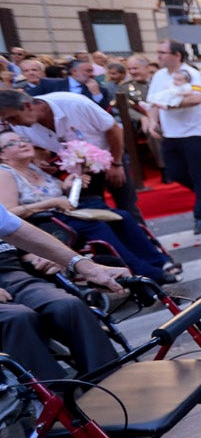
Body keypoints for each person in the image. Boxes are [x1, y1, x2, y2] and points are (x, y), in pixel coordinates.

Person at [0, 131, 176, 284]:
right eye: (12, 143)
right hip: (46, 221)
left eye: (22, 139)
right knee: (97, 226)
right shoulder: (5, 174)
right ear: (2, 155)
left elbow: (49, 192)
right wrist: (51, 203)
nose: (22, 143)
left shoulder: (34, 167)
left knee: (122, 216)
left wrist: (67, 185)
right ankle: (145, 272)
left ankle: (159, 261)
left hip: (66, 211)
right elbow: (8, 214)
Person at [0, 201, 127, 386]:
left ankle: (108, 382)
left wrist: (86, 267)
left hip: (9, 270)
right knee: (17, 318)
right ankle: (52, 399)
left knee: (68, 305)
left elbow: (14, 228)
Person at [0, 89, 143, 224]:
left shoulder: (74, 103)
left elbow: (113, 130)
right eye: (8, 121)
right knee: (91, 210)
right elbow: (37, 147)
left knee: (127, 206)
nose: (14, 124)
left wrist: (116, 163)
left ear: (27, 105)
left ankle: (145, 242)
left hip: (109, 156)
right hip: (77, 170)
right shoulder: (20, 126)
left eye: (13, 118)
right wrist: (40, 160)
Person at [148, 41, 201, 235]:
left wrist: (172, 104)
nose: (158, 56)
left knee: (199, 175)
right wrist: (152, 122)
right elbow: (153, 103)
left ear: (177, 55)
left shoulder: (192, 74)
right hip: (171, 134)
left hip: (195, 133)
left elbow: (196, 98)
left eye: (162, 52)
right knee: (175, 173)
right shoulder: (158, 76)